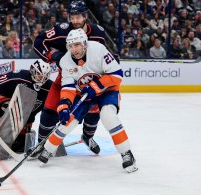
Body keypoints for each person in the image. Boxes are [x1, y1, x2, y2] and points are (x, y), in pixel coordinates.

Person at [37, 29, 138, 173]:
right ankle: (47, 150)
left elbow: (117, 75)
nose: (74, 49)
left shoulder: (98, 49)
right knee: (68, 121)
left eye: (77, 45)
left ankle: (126, 153)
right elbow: (67, 87)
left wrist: (96, 86)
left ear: (84, 43)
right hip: (83, 93)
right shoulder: (66, 61)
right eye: (71, 46)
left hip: (107, 90)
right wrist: (64, 105)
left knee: (108, 116)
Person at [33, 1, 107, 155]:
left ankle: (87, 137)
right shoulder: (62, 30)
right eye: (72, 17)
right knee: (49, 110)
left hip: (89, 80)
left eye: (78, 17)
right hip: (66, 78)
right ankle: (41, 144)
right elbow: (39, 41)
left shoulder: (98, 33)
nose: (75, 21)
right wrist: (52, 55)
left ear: (85, 16)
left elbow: (106, 55)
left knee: (94, 111)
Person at [0, 59, 52, 159]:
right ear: (32, 71)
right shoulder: (20, 77)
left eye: (45, 76)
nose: (41, 79)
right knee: (14, 108)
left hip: (25, 119)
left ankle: (19, 134)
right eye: (39, 74)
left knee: (18, 147)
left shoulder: (49, 87)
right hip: (5, 103)